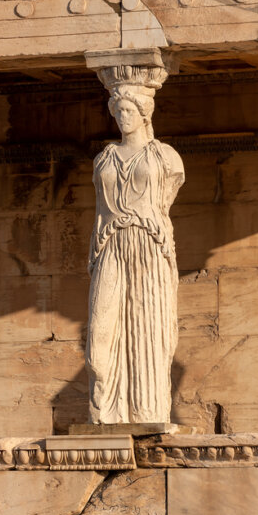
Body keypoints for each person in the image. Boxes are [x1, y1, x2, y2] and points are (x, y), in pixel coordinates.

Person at [87, 82, 184, 424]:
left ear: (145, 114)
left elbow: (166, 198)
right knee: (99, 342)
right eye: (118, 111)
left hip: (148, 244)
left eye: (129, 110)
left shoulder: (165, 157)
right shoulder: (104, 159)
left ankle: (146, 411)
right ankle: (107, 410)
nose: (123, 117)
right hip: (111, 245)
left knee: (148, 330)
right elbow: (101, 210)